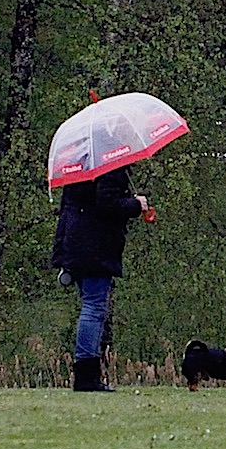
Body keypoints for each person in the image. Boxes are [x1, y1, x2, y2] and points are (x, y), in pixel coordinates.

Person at [50, 163, 148, 392]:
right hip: (95, 244)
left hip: (74, 239)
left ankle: (87, 375)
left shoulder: (78, 165)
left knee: (90, 304)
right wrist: (136, 204)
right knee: (94, 307)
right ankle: (86, 376)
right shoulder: (110, 165)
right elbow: (106, 204)